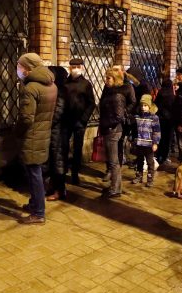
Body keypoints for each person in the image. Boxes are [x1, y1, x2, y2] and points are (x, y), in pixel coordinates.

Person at [15, 53, 57, 224]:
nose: (18, 69)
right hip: (43, 134)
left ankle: (39, 213)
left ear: (27, 68)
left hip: (32, 136)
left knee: (34, 175)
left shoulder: (31, 88)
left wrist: (16, 131)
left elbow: (26, 118)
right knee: (35, 172)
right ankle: (34, 204)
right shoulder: (51, 85)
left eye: (19, 66)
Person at [54, 58, 95, 192]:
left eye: (78, 66)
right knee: (63, 147)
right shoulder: (65, 83)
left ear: (82, 67)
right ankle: (63, 171)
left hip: (79, 122)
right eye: (73, 67)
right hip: (66, 121)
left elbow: (91, 103)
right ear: (70, 68)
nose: (75, 69)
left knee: (77, 148)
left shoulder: (86, 84)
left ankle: (75, 173)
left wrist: (83, 119)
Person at [99, 68, 127, 198]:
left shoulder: (117, 96)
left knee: (113, 162)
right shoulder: (110, 93)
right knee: (111, 161)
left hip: (113, 131)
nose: (106, 80)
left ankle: (115, 189)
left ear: (115, 80)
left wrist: (106, 124)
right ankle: (115, 186)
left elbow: (119, 116)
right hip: (109, 129)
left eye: (108, 78)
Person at [45, 66, 69, 201]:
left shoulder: (62, 91)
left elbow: (58, 112)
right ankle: (53, 188)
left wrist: (47, 122)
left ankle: (60, 190)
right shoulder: (56, 90)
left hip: (59, 132)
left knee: (58, 162)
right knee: (53, 161)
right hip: (54, 131)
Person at [130, 95, 161, 187]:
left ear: (150, 106)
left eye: (145, 105)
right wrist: (133, 139)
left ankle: (150, 179)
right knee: (139, 161)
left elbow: (157, 131)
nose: (143, 108)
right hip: (139, 143)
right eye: (142, 105)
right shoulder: (137, 117)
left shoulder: (154, 118)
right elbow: (134, 129)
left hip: (149, 144)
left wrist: (155, 143)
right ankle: (139, 176)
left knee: (150, 162)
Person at [154, 78, 175, 165]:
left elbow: (156, 104)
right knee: (167, 139)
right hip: (169, 121)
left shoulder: (160, 93)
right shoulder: (172, 95)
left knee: (160, 138)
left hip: (160, 119)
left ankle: (158, 156)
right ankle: (164, 157)